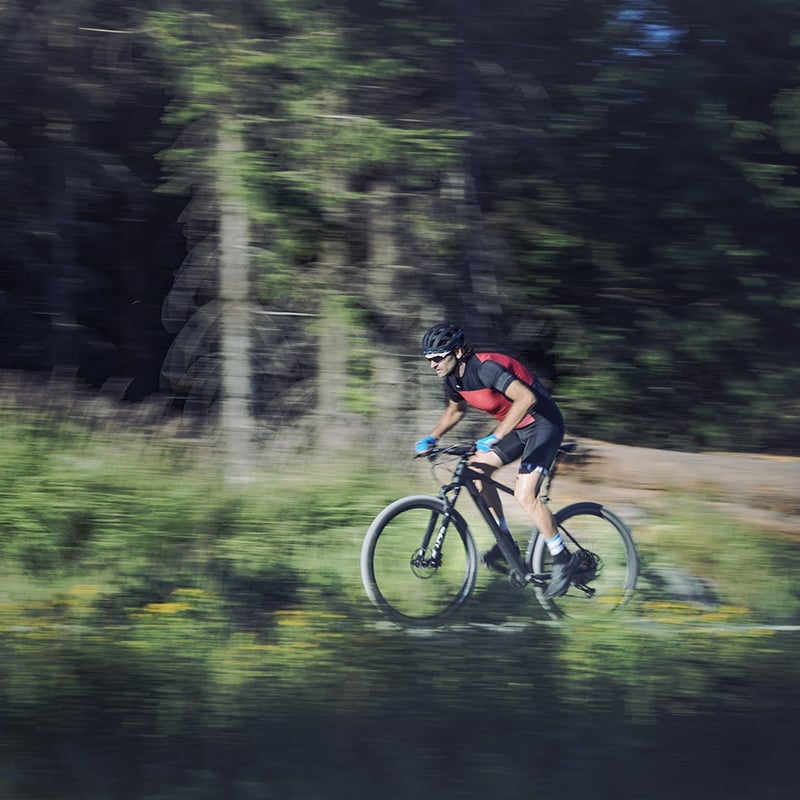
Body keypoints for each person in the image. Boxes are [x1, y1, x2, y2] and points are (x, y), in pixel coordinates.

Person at [415, 322, 579, 598]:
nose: (432, 364)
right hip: (517, 428)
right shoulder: (453, 378)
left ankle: (563, 559)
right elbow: (456, 411)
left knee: (525, 494)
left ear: (456, 352)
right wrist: (432, 437)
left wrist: (496, 435)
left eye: (437, 358)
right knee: (475, 471)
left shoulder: (485, 367)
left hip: (543, 423)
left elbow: (526, 398)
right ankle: (506, 544)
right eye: (428, 359)